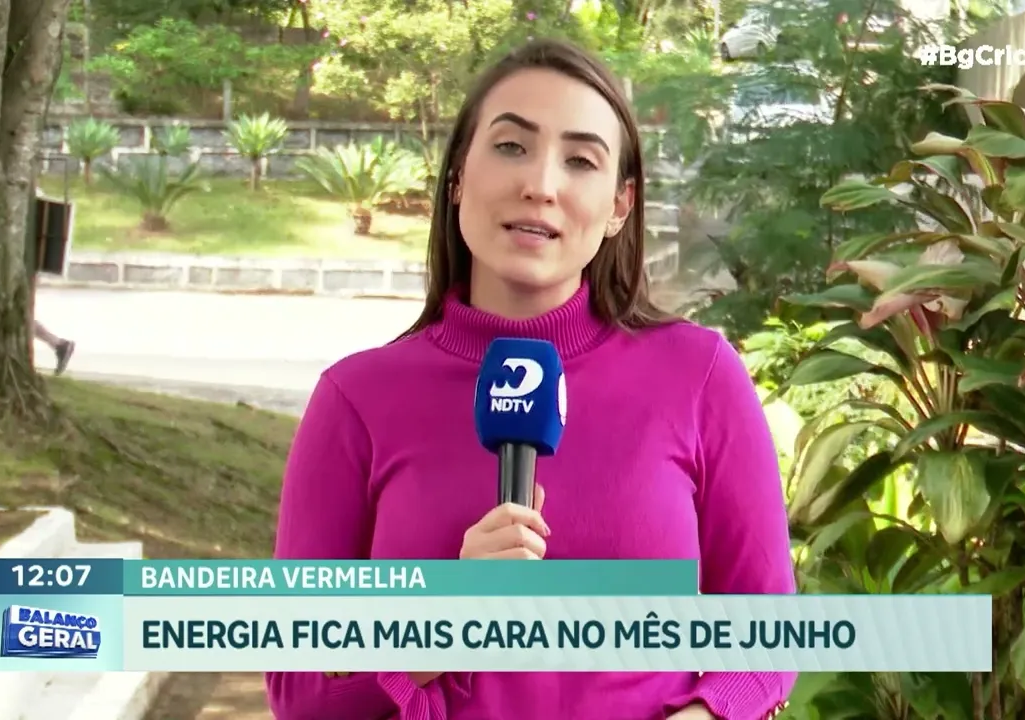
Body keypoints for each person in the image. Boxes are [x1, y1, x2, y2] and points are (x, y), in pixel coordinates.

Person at [267, 38, 797, 720]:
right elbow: (300, 693)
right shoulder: (356, 400)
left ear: (620, 205)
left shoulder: (700, 376)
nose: (541, 185)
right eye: (512, 146)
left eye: (581, 160)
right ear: (458, 177)